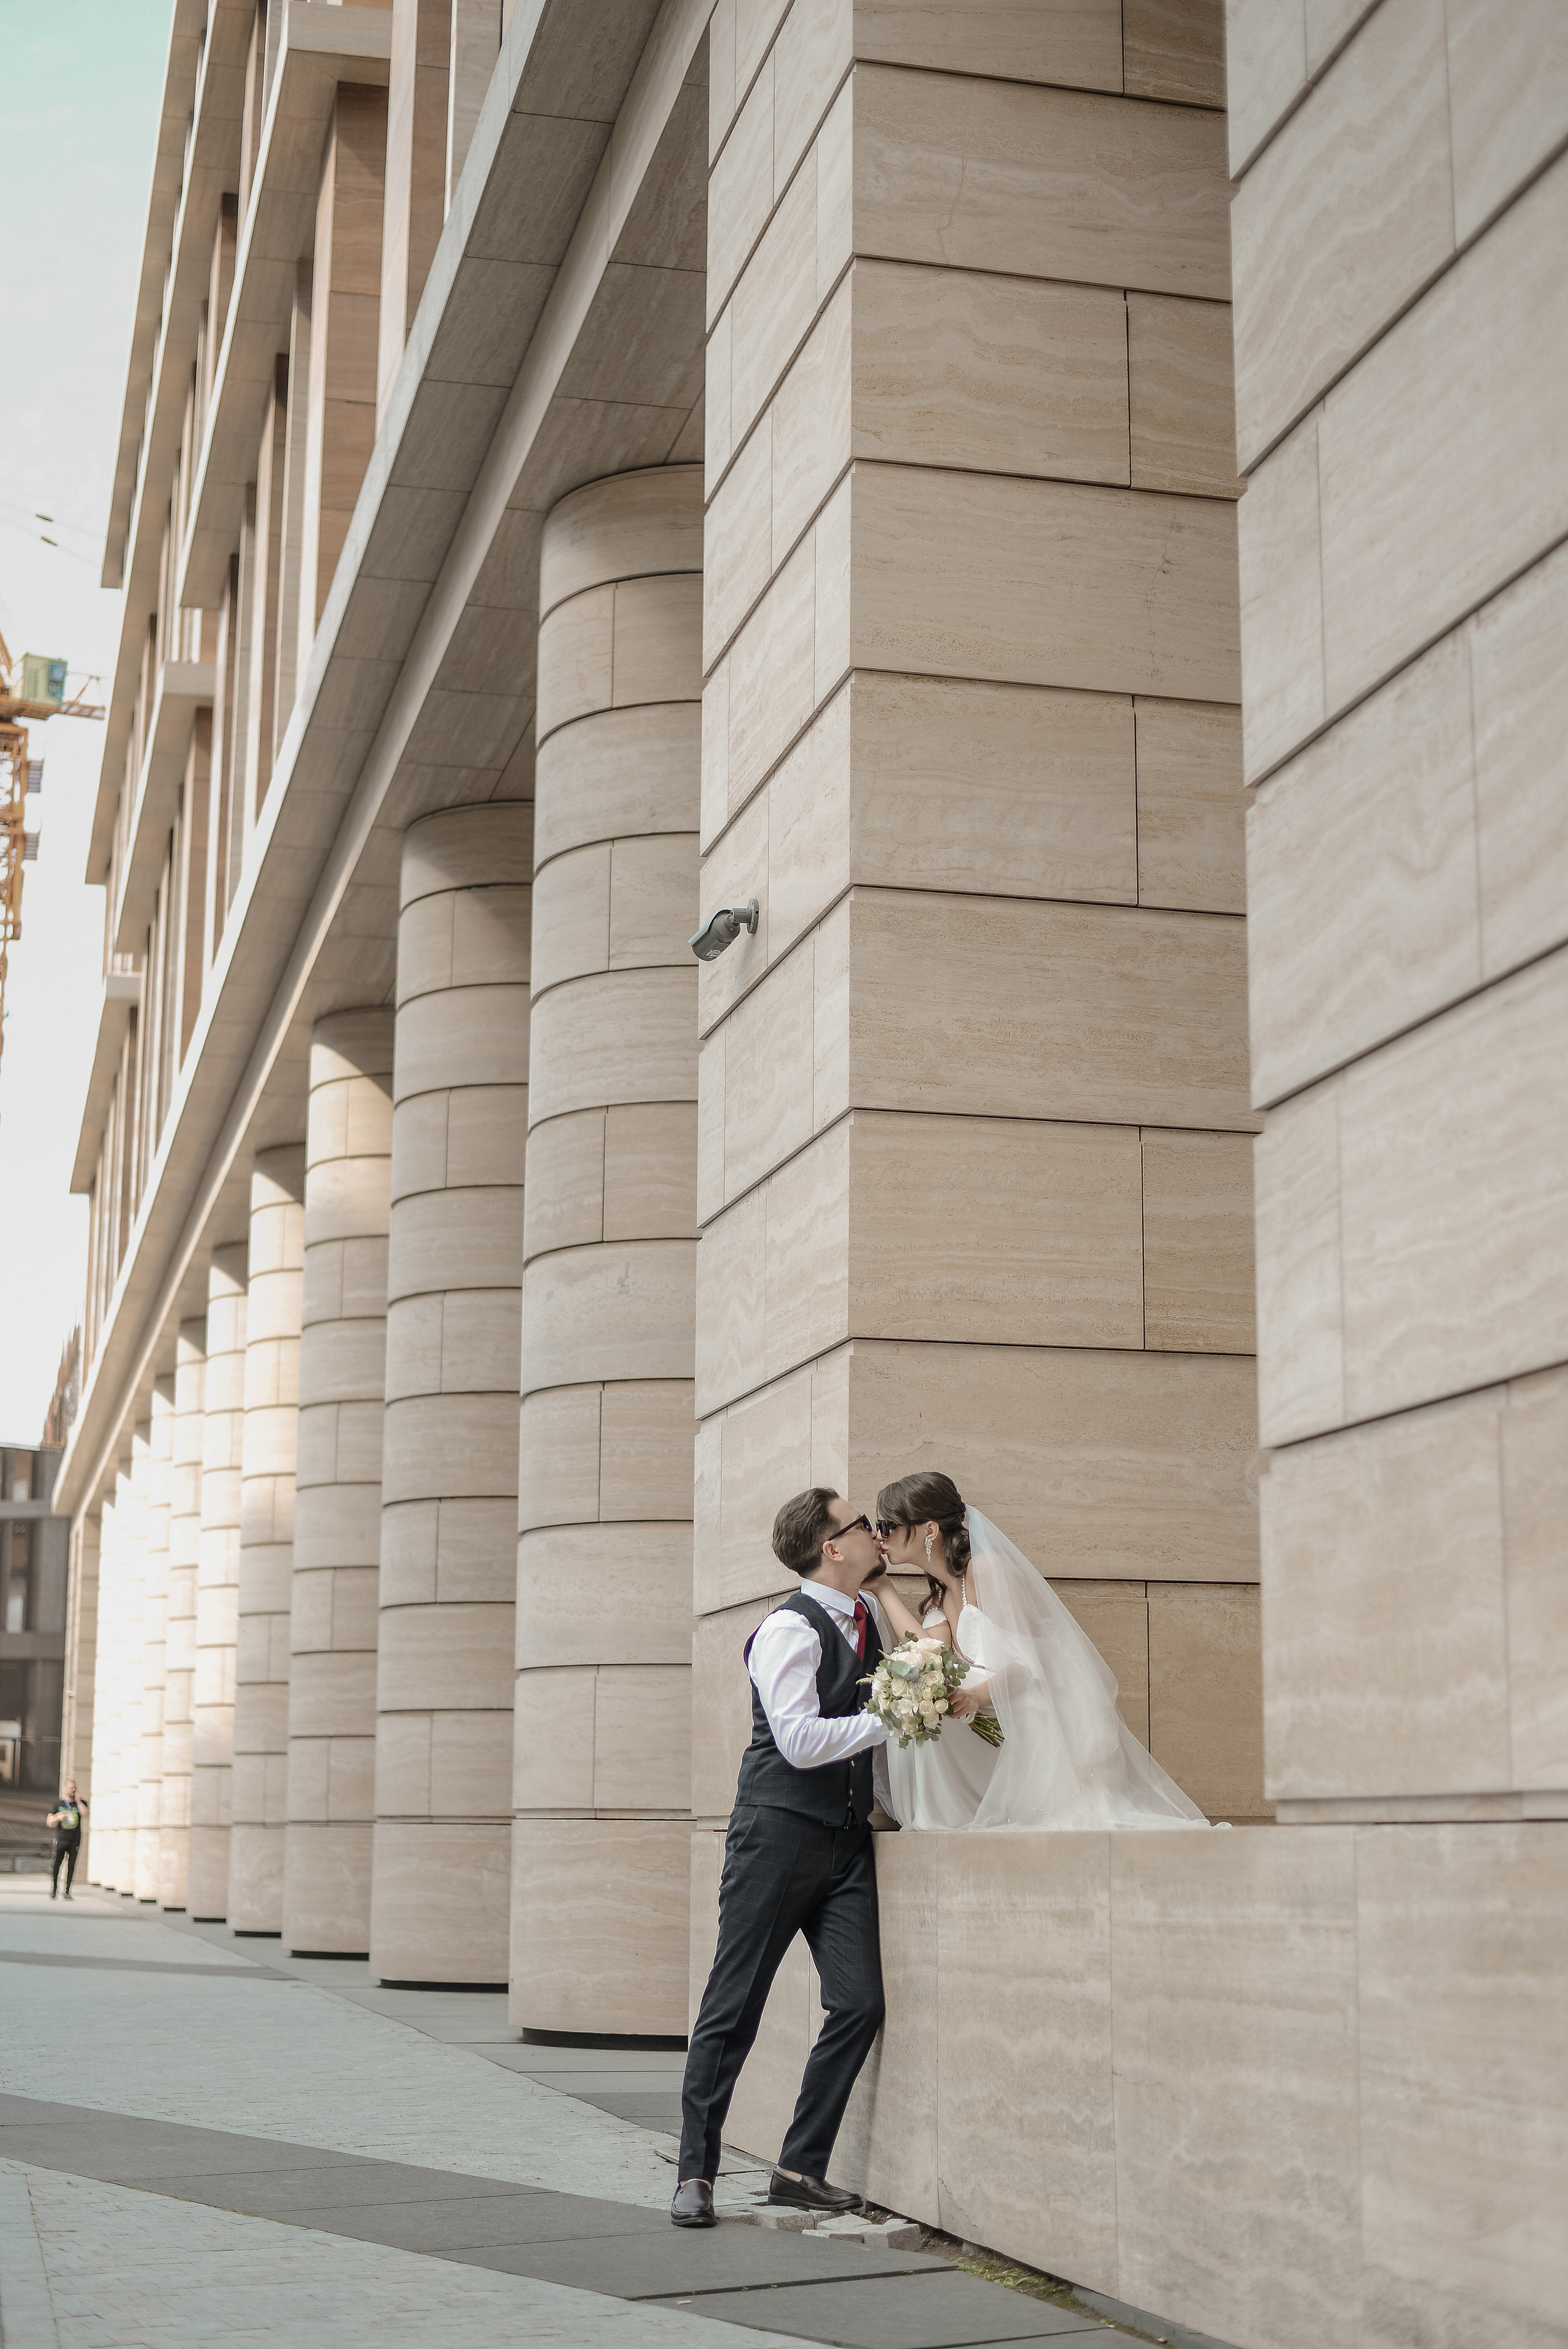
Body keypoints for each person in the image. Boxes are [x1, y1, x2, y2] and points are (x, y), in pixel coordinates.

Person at [673, 1489, 893, 2230]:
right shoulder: (787, 1629)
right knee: (733, 2006)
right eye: (860, 1523)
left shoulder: (868, 1617)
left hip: (846, 1841)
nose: (874, 1531)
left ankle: (799, 2169)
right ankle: (695, 2172)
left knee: (858, 2004)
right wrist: (890, 1717)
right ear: (832, 1547)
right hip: (777, 1835)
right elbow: (798, 1742)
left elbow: (872, 1749)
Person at [873, 1470, 1220, 1832]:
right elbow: (928, 1658)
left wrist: (974, 1698)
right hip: (992, 1714)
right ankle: (946, 1823)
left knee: (933, 1718)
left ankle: (952, 1823)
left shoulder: (986, 1570)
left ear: (929, 1530)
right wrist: (883, 1587)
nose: (881, 1536)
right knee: (914, 1709)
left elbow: (1029, 1665)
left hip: (1030, 1707)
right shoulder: (943, 1593)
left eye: (887, 1525)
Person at [47, 1780, 88, 1898]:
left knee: (72, 1865)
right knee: (57, 1863)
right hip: (62, 1838)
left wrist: (79, 1802)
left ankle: (67, 1891)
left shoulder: (81, 1803)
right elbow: (49, 1822)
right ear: (66, 1789)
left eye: (74, 1788)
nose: (73, 1790)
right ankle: (55, 1888)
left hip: (75, 1839)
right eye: (71, 1788)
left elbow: (85, 1814)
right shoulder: (59, 1804)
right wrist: (58, 1817)